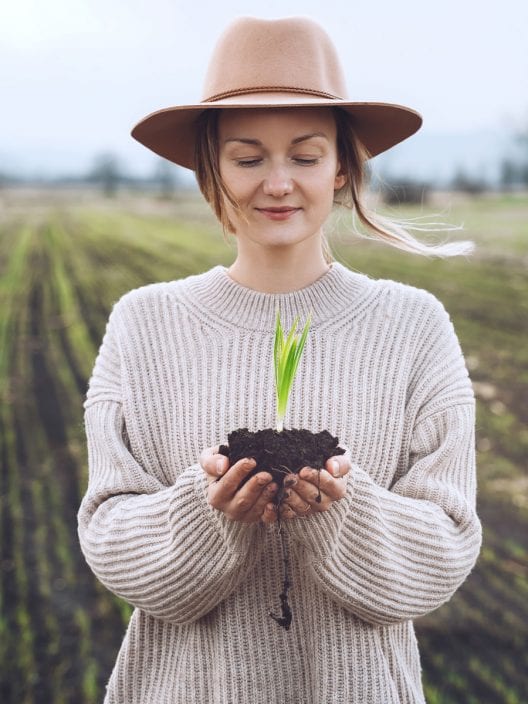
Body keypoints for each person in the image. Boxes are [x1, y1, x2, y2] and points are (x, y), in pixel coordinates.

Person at [77, 16, 482, 704]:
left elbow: (444, 551)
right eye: (247, 157)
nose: (278, 183)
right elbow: (110, 534)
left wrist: (340, 511)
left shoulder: (413, 328)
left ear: (343, 165)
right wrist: (208, 513)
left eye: (305, 155)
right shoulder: (145, 325)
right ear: (212, 165)